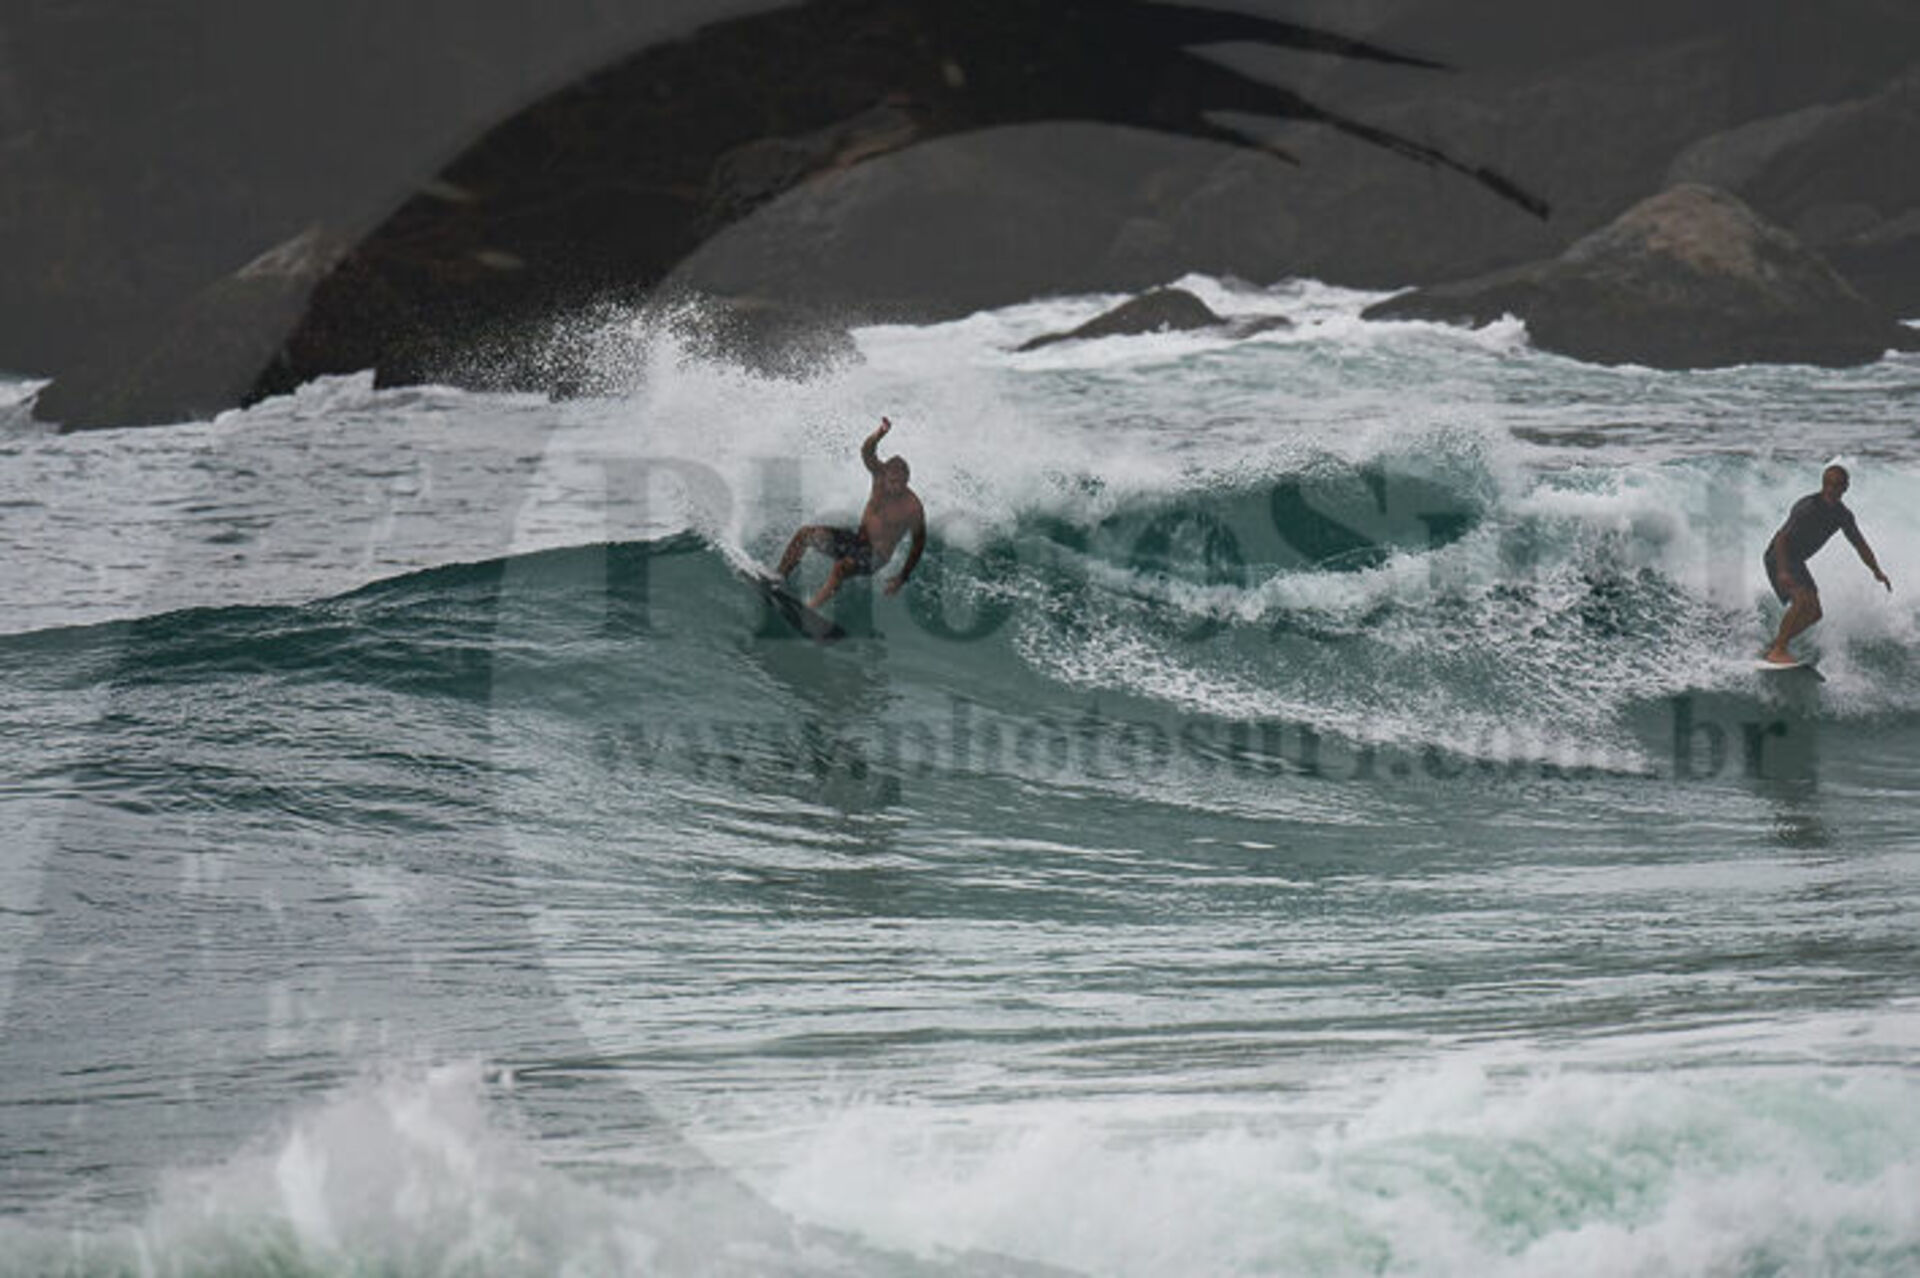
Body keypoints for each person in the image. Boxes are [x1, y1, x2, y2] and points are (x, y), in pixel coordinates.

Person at [777, 416, 927, 609]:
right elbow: (867, 451)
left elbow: (918, 545)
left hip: (876, 556)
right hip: (857, 540)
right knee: (805, 534)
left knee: (841, 567)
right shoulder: (878, 476)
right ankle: (778, 578)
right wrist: (879, 434)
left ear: (907, 480)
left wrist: (902, 576)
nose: (895, 486)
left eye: (901, 482)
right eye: (892, 481)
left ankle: (810, 609)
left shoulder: (912, 508)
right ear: (885, 475)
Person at [1762, 463, 1891, 664]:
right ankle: (1778, 650)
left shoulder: (1842, 515)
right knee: (1801, 600)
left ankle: (1775, 645)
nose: (1832, 489)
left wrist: (1877, 571)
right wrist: (1783, 571)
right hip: (1780, 557)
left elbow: (1860, 545)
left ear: (1845, 487)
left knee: (1815, 613)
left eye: (1837, 485)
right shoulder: (1807, 507)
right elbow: (1781, 538)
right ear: (1823, 484)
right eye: (1829, 484)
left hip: (1797, 561)